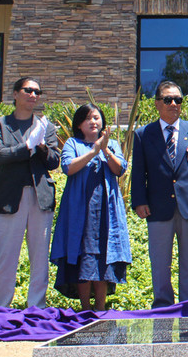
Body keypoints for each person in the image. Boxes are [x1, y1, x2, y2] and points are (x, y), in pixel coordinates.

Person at [131, 81, 188, 309]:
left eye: (178, 99)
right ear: (157, 103)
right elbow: (138, 172)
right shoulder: (143, 134)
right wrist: (139, 201)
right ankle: (163, 306)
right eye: (168, 99)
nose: (174, 104)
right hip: (157, 207)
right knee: (160, 262)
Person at [0, 77, 59, 308]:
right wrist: (27, 146)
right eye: (28, 90)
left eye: (38, 91)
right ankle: (1, 307)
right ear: (16, 93)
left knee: (39, 257)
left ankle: (36, 307)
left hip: (40, 198)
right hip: (10, 197)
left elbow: (53, 161)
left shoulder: (45, 126)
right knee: (6, 256)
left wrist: (40, 144)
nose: (33, 95)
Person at [50, 104, 131, 311]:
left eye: (96, 117)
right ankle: (85, 308)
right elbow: (67, 167)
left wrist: (104, 150)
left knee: (104, 257)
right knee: (82, 256)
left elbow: (120, 169)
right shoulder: (72, 143)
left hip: (106, 211)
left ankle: (101, 307)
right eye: (88, 118)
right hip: (80, 211)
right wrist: (94, 151)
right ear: (79, 124)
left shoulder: (111, 143)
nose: (93, 122)